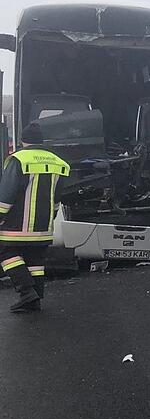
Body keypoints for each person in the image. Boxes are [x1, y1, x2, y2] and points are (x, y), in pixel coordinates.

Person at [0, 123, 70, 312]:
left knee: (5, 252)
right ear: (41, 140)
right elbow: (57, 198)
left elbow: (6, 194)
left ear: (23, 140)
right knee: (35, 262)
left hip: (17, 226)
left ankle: (26, 292)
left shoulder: (18, 159)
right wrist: (51, 216)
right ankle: (34, 300)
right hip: (43, 225)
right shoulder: (57, 161)